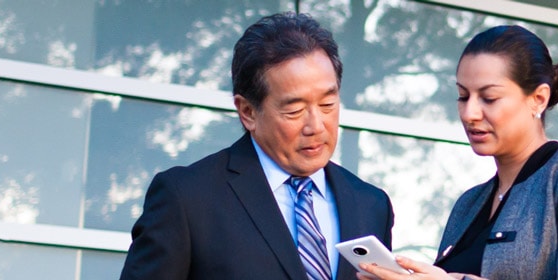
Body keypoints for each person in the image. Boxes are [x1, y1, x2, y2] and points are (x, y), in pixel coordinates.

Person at [120, 12, 395, 280]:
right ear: (248, 112)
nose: (316, 126)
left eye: (327, 105)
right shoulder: (187, 198)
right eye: (294, 111)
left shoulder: (371, 205)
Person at [359, 25, 558, 280]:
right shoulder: (468, 204)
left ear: (538, 99)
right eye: (463, 96)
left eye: (489, 98)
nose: (470, 113)